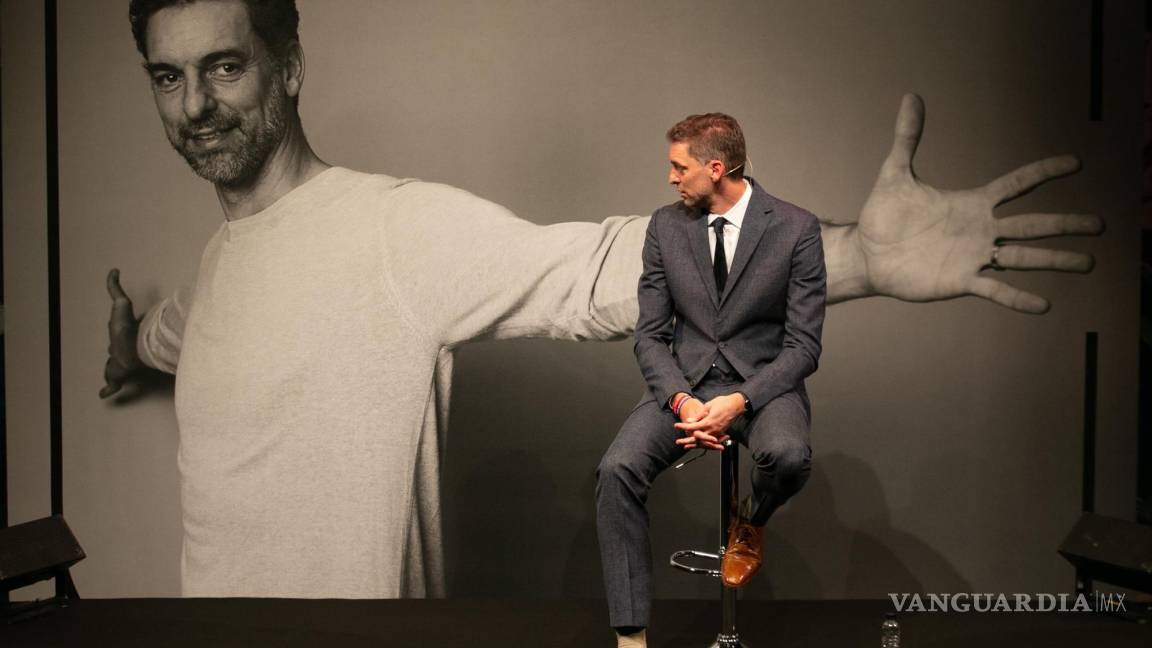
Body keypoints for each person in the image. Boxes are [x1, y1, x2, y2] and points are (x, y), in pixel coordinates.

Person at [101, 0, 1101, 599]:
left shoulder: (389, 232)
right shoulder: (216, 275)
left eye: (223, 67)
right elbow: (170, 338)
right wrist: (129, 343)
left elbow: (601, 269)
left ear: (286, 67)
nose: (196, 105)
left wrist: (851, 258)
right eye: (168, 77)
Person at [596, 113, 825, 647]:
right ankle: (630, 637)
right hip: (687, 385)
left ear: (716, 168)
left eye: (680, 167)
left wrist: (741, 400)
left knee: (788, 457)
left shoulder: (796, 228)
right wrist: (681, 400)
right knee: (616, 470)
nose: (671, 178)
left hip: (762, 385)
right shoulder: (665, 226)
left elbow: (804, 347)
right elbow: (650, 335)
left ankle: (751, 523)